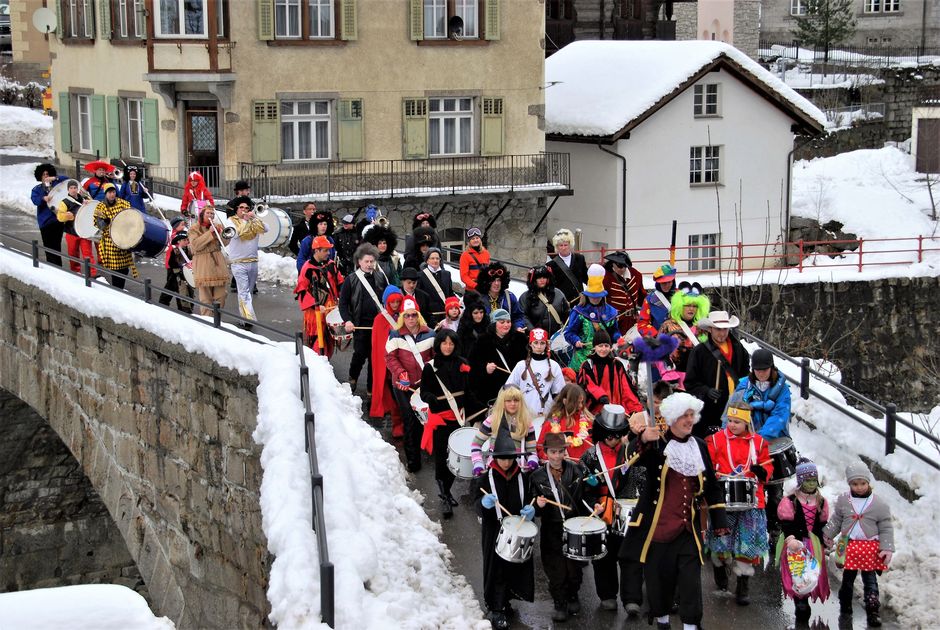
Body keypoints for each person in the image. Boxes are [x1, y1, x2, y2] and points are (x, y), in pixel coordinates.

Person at [621, 392, 729, 630]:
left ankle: (691, 625)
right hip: (657, 531)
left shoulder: (699, 446)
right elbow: (629, 460)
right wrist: (641, 438)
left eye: (692, 415)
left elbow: (711, 486)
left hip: (686, 531)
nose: (690, 420)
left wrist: (719, 519)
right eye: (684, 416)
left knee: (691, 584)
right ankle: (662, 622)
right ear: (671, 419)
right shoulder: (656, 444)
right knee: (660, 586)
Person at [704, 402, 773, 606]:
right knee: (721, 540)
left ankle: (743, 584)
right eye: (730, 421)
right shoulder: (716, 440)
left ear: (746, 422)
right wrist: (713, 476)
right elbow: (707, 465)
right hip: (723, 500)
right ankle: (720, 569)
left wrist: (763, 472)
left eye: (737, 422)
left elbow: (767, 465)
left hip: (752, 502)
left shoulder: (759, 443)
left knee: (747, 544)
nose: (732, 425)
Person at [578, 404, 638, 613]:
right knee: (603, 556)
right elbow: (583, 488)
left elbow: (640, 481)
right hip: (601, 512)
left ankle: (632, 598)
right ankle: (607, 595)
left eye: (616, 434)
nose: (612, 439)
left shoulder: (631, 453)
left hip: (626, 512)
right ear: (600, 432)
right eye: (608, 434)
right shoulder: (589, 456)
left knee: (630, 556)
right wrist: (592, 503)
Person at [473, 430, 536, 630]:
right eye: (502, 459)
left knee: (514, 565)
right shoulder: (486, 478)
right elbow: (476, 502)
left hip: (515, 528)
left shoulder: (523, 477)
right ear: (495, 458)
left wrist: (530, 509)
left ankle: (506, 600)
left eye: (510, 459)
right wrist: (484, 504)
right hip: (494, 530)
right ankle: (495, 607)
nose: (507, 463)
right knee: (496, 569)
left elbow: (529, 497)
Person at [823, 462, 894, 627]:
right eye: (855, 484)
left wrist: (887, 547)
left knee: (870, 579)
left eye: (863, 483)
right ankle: (845, 603)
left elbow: (885, 526)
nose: (859, 487)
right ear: (849, 484)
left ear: (868, 483)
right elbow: (837, 520)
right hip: (849, 546)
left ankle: (872, 609)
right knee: (848, 577)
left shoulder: (878, 504)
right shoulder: (844, 500)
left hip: (870, 547)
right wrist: (827, 534)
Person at [731, 348, 792, 532]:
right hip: (747, 444)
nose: (761, 373)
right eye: (757, 370)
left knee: (775, 493)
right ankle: (752, 531)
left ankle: (775, 530)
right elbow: (733, 411)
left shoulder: (782, 389)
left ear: (771, 368)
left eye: (764, 370)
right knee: (752, 490)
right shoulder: (743, 386)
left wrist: (759, 437)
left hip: (772, 445)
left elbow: (780, 416)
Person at [530, 431, 588, 621]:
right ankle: (559, 602)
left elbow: (584, 498)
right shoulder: (537, 476)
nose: (556, 456)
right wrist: (537, 506)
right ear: (546, 453)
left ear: (565, 452)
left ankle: (573, 594)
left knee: (574, 567)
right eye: (552, 452)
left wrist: (593, 505)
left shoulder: (576, 471)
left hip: (573, 526)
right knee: (555, 568)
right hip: (551, 528)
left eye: (560, 452)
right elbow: (532, 507)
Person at [420, 329, 478, 518]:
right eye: (444, 343)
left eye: (451, 343)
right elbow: (423, 392)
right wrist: (430, 398)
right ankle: (445, 496)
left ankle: (446, 491)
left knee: (455, 458)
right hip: (441, 419)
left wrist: (479, 407)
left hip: (458, 418)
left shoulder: (463, 364)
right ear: (439, 345)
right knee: (441, 458)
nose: (448, 346)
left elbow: (468, 392)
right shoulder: (430, 367)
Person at [777, 458, 830, 624]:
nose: (811, 483)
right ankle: (800, 601)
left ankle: (806, 596)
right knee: (798, 573)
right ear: (800, 481)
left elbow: (822, 523)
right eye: (807, 480)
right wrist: (791, 538)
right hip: (795, 544)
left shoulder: (821, 501)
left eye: (814, 480)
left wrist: (826, 539)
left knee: (812, 573)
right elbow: (786, 523)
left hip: (813, 545)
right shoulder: (790, 501)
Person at [385, 297, 435, 472]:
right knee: (409, 421)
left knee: (424, 419)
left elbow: (435, 358)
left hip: (423, 385)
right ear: (402, 317)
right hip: (403, 385)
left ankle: (424, 447)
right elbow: (390, 358)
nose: (411, 319)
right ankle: (413, 460)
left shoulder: (430, 333)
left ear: (419, 315)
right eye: (407, 316)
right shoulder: (395, 334)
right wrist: (400, 373)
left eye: (414, 315)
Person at [684, 310, 750, 438]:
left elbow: (745, 373)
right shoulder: (699, 352)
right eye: (718, 329)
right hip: (710, 409)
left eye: (725, 329)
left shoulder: (739, 348)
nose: (722, 333)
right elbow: (690, 382)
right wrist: (706, 391)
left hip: (736, 405)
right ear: (710, 329)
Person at [338, 243, 388, 394]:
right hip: (359, 325)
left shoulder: (381, 277)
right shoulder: (351, 279)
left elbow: (387, 299)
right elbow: (343, 304)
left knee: (375, 357)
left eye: (372, 261)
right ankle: (353, 378)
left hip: (378, 325)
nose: (369, 264)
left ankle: (370, 388)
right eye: (366, 261)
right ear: (359, 261)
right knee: (359, 354)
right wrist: (347, 320)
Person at [471, 384, 539, 476]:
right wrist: (478, 463)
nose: (513, 404)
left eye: (516, 400)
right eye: (508, 401)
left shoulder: (526, 422)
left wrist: (532, 461)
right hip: (494, 469)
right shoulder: (492, 420)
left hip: (518, 471)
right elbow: (476, 445)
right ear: (502, 402)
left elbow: (532, 451)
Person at [563, 264, 621, 371]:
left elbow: (615, 332)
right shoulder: (578, 311)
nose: (595, 299)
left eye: (598, 296)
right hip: (582, 359)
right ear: (586, 295)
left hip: (605, 357)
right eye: (592, 296)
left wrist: (618, 339)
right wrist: (576, 340)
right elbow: (569, 333)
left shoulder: (611, 312)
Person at [506, 328, 566, 431]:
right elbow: (508, 389)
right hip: (523, 412)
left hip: (546, 413)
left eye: (542, 343)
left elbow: (559, 393)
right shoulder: (521, 365)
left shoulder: (554, 366)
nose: (539, 346)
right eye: (536, 343)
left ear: (546, 344)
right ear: (530, 344)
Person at [468, 309, 529, 409]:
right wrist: (485, 369)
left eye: (508, 322)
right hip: (493, 391)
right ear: (493, 324)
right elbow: (472, 366)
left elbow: (529, 360)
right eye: (502, 322)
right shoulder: (482, 341)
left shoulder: (520, 339)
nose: (506, 325)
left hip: (518, 388)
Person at [294, 235, 344, 357]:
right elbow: (301, 291)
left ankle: (325, 363)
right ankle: (316, 365)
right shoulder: (307, 268)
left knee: (329, 340)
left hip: (330, 309)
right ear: (316, 251)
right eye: (325, 250)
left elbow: (340, 283)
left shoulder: (331, 264)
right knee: (317, 340)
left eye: (329, 250)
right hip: (315, 312)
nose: (329, 253)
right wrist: (315, 305)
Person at [576, 328, 642, 416]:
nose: (603, 349)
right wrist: (601, 396)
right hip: (595, 411)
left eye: (606, 346)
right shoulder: (587, 365)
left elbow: (626, 389)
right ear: (594, 347)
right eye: (600, 346)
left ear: (610, 347)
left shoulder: (617, 364)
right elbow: (587, 385)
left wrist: (635, 409)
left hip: (616, 409)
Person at [658, 282, 711, 387]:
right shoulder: (668, 325)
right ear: (679, 306)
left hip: (699, 379)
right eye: (687, 305)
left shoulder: (703, 327)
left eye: (694, 306)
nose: (691, 309)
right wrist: (669, 374)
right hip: (676, 378)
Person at [370, 287, 405, 436]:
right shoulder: (380, 319)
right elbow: (377, 345)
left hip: (403, 359)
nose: (396, 304)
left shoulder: (406, 316)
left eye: (398, 301)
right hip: (389, 360)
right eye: (393, 302)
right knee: (392, 391)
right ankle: (396, 421)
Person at [228, 197, 268, 325]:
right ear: (237, 210)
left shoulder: (253, 221)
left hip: (253, 262)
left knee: (248, 292)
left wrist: (255, 217)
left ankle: (244, 318)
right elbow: (237, 233)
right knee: (243, 292)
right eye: (241, 208)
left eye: (246, 208)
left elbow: (266, 229)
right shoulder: (230, 221)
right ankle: (248, 320)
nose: (244, 210)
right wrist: (246, 220)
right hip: (238, 263)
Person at [188, 204, 232, 315]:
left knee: (221, 296)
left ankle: (217, 319)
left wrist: (222, 234)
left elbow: (225, 243)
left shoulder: (217, 226)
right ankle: (208, 321)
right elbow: (195, 245)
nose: (210, 215)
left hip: (218, 263)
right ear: (202, 214)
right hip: (203, 263)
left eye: (212, 213)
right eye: (208, 213)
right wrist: (210, 233)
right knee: (206, 298)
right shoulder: (194, 228)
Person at [536, 383, 593, 461]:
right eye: (577, 403)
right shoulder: (552, 423)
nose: (580, 406)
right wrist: (555, 460)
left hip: (586, 469)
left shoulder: (588, 420)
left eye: (582, 402)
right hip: (562, 469)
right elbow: (540, 448)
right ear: (565, 401)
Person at [93, 183, 135, 289]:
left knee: (125, 268)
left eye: (113, 192)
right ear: (106, 193)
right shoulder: (100, 207)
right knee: (116, 269)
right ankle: (117, 289)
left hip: (124, 239)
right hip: (111, 241)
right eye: (110, 192)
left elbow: (131, 216)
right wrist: (105, 222)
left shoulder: (123, 204)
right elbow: (99, 225)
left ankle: (120, 287)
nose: (112, 194)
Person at [31, 163, 70, 267]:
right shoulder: (37, 189)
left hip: (57, 220)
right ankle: (52, 267)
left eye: (47, 174)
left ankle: (58, 267)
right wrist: (43, 198)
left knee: (56, 246)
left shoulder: (56, 185)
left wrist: (55, 177)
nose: (46, 176)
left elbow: (67, 180)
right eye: (43, 174)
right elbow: (35, 200)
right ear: (40, 176)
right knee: (48, 246)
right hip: (45, 222)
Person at [55, 179, 97, 275]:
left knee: (88, 254)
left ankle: (92, 273)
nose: (73, 190)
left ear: (78, 189)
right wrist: (67, 216)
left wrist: (88, 203)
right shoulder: (64, 202)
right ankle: (75, 272)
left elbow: (91, 210)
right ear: (68, 190)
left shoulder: (84, 199)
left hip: (83, 231)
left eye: (75, 188)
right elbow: (60, 217)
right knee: (73, 254)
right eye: (71, 188)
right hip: (71, 232)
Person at [603, 251, 646, 336]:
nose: (621, 269)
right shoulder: (605, 277)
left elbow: (642, 297)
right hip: (614, 322)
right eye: (618, 266)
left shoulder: (636, 275)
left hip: (632, 320)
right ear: (613, 264)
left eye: (624, 266)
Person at [519, 265, 569, 338]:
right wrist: (534, 333)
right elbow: (523, 316)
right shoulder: (526, 297)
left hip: (557, 338)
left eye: (544, 277)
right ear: (533, 279)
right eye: (539, 277)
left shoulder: (558, 293)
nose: (542, 280)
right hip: (536, 341)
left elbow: (567, 314)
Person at [477, 263, 525, 332]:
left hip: (506, 337)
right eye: (493, 280)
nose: (496, 283)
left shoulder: (510, 297)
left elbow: (518, 317)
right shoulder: (479, 298)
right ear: (487, 282)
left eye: (499, 280)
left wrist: (518, 327)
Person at [546, 228, 588, 303]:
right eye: (560, 245)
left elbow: (586, 278)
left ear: (570, 245)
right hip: (561, 303)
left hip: (579, 301)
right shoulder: (551, 265)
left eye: (566, 245)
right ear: (557, 247)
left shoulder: (580, 259)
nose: (563, 248)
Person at [417, 247, 454, 328]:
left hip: (446, 315)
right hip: (430, 316)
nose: (435, 261)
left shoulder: (447, 274)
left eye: (437, 258)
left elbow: (450, 293)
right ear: (427, 260)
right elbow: (420, 297)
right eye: (432, 258)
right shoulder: (420, 276)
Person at [158, 230, 194, 313]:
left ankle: (184, 310)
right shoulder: (175, 250)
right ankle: (163, 308)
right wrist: (182, 265)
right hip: (174, 275)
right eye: (184, 240)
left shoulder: (188, 249)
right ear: (179, 241)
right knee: (169, 293)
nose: (186, 242)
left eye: (187, 240)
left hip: (184, 275)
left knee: (184, 293)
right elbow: (170, 263)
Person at [637, 264, 678, 337]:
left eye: (669, 282)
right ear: (658, 283)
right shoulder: (649, 300)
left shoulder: (680, 295)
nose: (667, 285)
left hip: (680, 338)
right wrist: (657, 336)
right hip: (660, 340)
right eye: (663, 283)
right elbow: (642, 324)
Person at [364, 222, 402, 287]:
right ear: (375, 244)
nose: (383, 245)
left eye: (384, 243)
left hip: (392, 291)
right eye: (380, 243)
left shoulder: (394, 258)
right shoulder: (369, 259)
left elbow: (400, 274)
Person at [459, 227, 490, 292]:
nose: (475, 240)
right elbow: (464, 276)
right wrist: (475, 286)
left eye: (477, 238)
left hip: (485, 289)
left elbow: (488, 271)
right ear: (469, 241)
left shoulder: (486, 253)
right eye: (473, 239)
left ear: (480, 239)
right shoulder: (465, 255)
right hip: (472, 291)